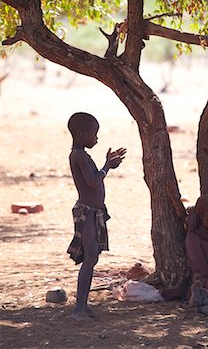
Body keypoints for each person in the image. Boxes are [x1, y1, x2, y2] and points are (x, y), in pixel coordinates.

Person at [66, 112, 126, 321]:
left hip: (94, 212)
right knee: (90, 257)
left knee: (92, 257)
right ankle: (79, 308)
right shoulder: (79, 156)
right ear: (82, 134)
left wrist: (107, 164)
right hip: (87, 212)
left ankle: (82, 305)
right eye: (94, 134)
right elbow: (92, 182)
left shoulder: (81, 155)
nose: (97, 139)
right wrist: (107, 166)